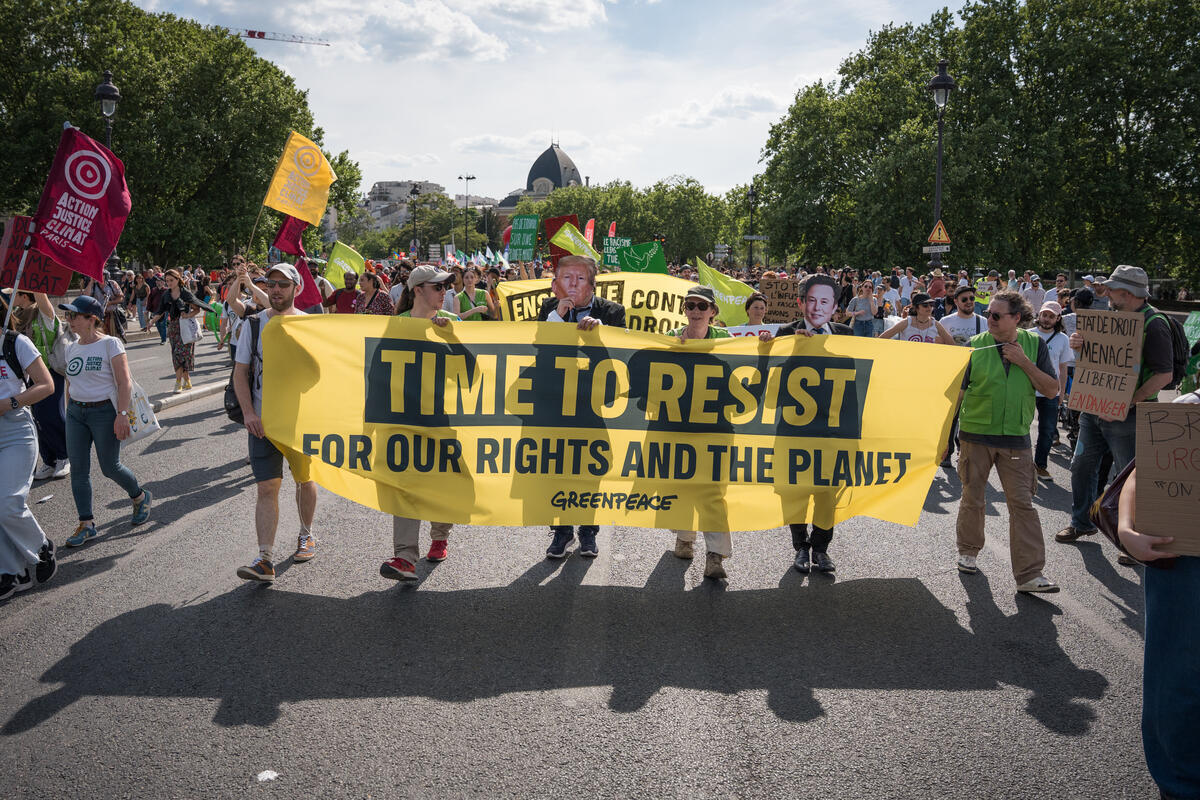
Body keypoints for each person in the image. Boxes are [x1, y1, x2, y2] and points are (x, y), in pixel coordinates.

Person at [1115, 392, 1200, 799]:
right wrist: (1127, 529)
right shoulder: (1186, 409)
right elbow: (1139, 473)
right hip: (1183, 562)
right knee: (1178, 679)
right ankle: (1180, 786)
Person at [1057, 265, 1176, 545]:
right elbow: (1098, 359)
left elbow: (1164, 374)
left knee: (1128, 478)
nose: (1105, 292)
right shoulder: (1111, 317)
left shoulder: (1154, 324)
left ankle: (1132, 539)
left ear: (1128, 292)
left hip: (1130, 417)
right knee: (1081, 466)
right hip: (1093, 412)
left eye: (1111, 288)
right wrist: (1079, 345)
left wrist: (1125, 403)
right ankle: (1081, 522)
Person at [951, 290, 1061, 592]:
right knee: (973, 496)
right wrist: (942, 437)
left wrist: (1024, 362)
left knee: (1023, 504)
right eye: (988, 314)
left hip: (1015, 437)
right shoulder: (975, 347)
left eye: (997, 316)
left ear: (1016, 318)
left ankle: (1029, 575)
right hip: (975, 435)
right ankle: (968, 552)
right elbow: (956, 396)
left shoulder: (1034, 345)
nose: (990, 320)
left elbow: (1052, 390)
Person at [758, 274, 851, 574]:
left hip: (833, 430)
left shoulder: (847, 336)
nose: (816, 307)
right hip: (792, 430)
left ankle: (821, 549)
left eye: (824, 301)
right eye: (811, 300)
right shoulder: (784, 334)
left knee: (827, 492)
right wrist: (767, 349)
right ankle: (800, 547)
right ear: (800, 303)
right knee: (793, 491)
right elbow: (767, 380)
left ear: (835, 306)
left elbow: (861, 379)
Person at [232, 264, 317, 583]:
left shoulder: (309, 326)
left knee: (303, 480)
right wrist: (249, 414)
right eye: (271, 284)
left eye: (283, 284)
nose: (276, 289)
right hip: (261, 423)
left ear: (297, 288)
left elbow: (320, 374)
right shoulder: (253, 325)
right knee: (267, 486)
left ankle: (306, 534)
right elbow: (240, 372)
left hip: (298, 422)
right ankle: (264, 558)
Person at [538, 256, 626, 559]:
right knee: (556, 469)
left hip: (594, 405)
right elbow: (537, 351)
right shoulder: (549, 309)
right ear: (556, 283)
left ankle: (588, 533)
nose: (571, 284)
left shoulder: (613, 312)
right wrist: (557, 320)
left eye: (579, 279)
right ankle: (561, 533)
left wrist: (604, 333)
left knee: (591, 469)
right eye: (565, 278)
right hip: (557, 404)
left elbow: (622, 356)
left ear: (592, 284)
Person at [381, 265, 462, 581]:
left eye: (446, 287)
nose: (444, 292)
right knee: (406, 486)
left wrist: (451, 339)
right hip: (405, 418)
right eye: (438, 287)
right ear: (417, 290)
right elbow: (378, 367)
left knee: (443, 483)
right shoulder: (396, 324)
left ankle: (440, 535)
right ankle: (405, 557)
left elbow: (474, 373)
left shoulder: (453, 323)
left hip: (445, 416)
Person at [58, 296, 152, 548]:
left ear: (92, 319)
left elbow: (124, 382)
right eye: (68, 315)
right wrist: (69, 410)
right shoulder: (71, 347)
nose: (70, 320)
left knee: (110, 467)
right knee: (78, 470)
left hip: (104, 413)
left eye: (74, 315)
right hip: (77, 413)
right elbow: (70, 381)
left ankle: (140, 497)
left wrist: (121, 415)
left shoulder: (111, 344)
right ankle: (87, 524)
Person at [667, 287, 734, 580]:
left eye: (701, 306)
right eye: (690, 305)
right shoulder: (672, 336)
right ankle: (685, 538)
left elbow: (749, 364)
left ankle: (715, 555)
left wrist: (766, 343)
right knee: (682, 484)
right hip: (679, 423)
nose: (695, 311)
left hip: (717, 425)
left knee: (713, 491)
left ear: (712, 312)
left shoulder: (727, 341)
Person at [0, 323, 57, 601]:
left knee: (8, 503)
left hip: (15, 432)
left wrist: (8, 403)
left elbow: (47, 385)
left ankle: (41, 546)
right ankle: (12, 572)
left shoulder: (15, 342)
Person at [4, 290, 71, 480]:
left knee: (52, 415)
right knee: (37, 418)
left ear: (25, 295)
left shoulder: (42, 313)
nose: (11, 297)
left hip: (49, 370)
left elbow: (42, 298)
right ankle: (49, 460)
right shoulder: (17, 315)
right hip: (26, 374)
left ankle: (64, 456)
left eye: (15, 293)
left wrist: (34, 284)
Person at [148, 269, 213, 393]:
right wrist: (151, 322)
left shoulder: (185, 293)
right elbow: (160, 311)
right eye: (167, 281)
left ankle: (178, 383)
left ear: (178, 279)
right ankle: (186, 380)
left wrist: (188, 315)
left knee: (182, 355)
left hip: (186, 327)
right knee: (177, 355)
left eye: (171, 280)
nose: (169, 283)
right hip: (173, 328)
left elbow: (197, 309)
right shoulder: (166, 295)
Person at [1032, 301, 1073, 480]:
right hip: (1028, 389)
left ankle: (1040, 465)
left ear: (1058, 319)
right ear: (1039, 315)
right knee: (1021, 429)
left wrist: (1061, 392)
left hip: (1050, 392)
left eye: (1051, 316)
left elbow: (1063, 368)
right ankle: (1022, 466)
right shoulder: (1028, 335)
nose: (1047, 319)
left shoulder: (1063, 339)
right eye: (1045, 315)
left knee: (1048, 430)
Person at [879, 292, 955, 344]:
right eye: (925, 305)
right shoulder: (906, 322)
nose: (929, 307)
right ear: (916, 308)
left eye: (931, 304)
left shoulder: (935, 324)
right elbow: (882, 338)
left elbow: (952, 344)